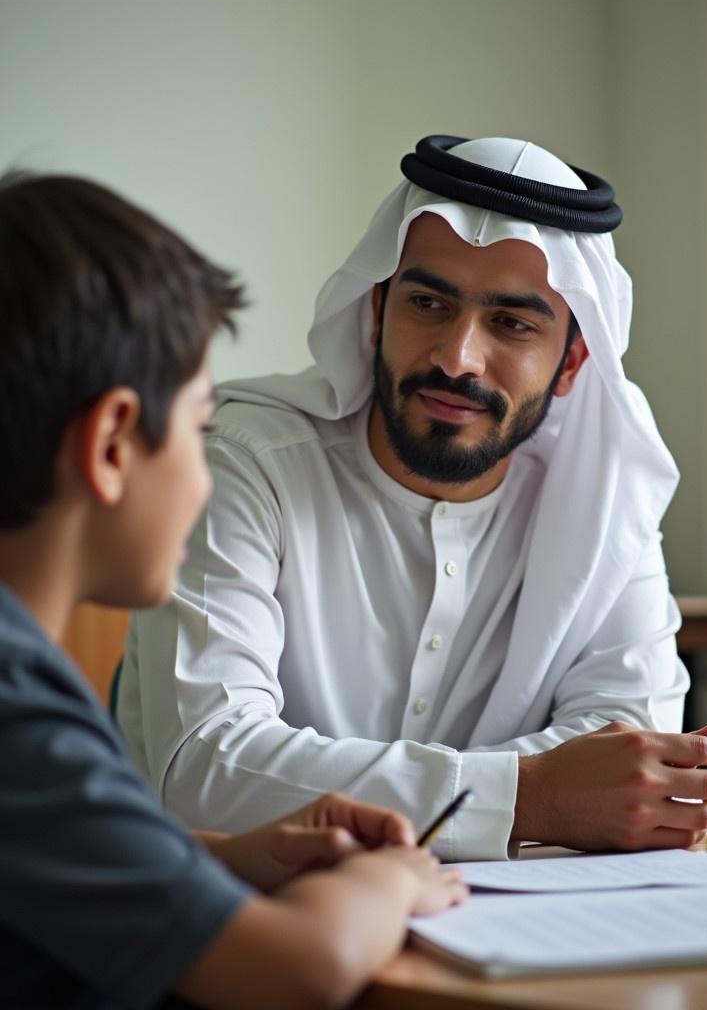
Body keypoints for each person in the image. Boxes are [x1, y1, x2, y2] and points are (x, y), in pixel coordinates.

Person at [117, 135, 707, 860]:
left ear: (573, 361)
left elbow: (633, 757)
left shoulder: (604, 491)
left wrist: (513, 797)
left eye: (512, 323)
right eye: (428, 303)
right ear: (376, 311)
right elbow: (205, 767)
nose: (457, 358)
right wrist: (533, 795)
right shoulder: (243, 463)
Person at [0, 171, 467, 1010]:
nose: (206, 476)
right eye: (197, 423)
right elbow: (295, 967)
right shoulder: (16, 706)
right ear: (112, 443)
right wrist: (390, 883)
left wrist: (222, 857)